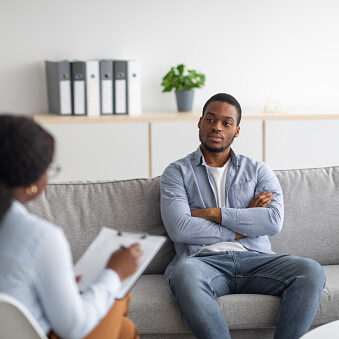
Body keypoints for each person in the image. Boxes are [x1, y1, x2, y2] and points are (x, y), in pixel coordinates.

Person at [160, 93, 326, 339]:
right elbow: (180, 228)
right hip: (202, 261)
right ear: (200, 123)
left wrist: (213, 214)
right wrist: (244, 221)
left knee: (311, 270)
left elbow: (272, 221)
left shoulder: (258, 170)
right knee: (184, 274)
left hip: (255, 259)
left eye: (226, 123)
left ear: (236, 131)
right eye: (210, 120)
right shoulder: (177, 172)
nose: (217, 127)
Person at [0, 115, 141, 339]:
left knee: (124, 329)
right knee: (120, 295)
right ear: (31, 184)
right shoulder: (40, 237)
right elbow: (74, 327)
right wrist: (114, 272)